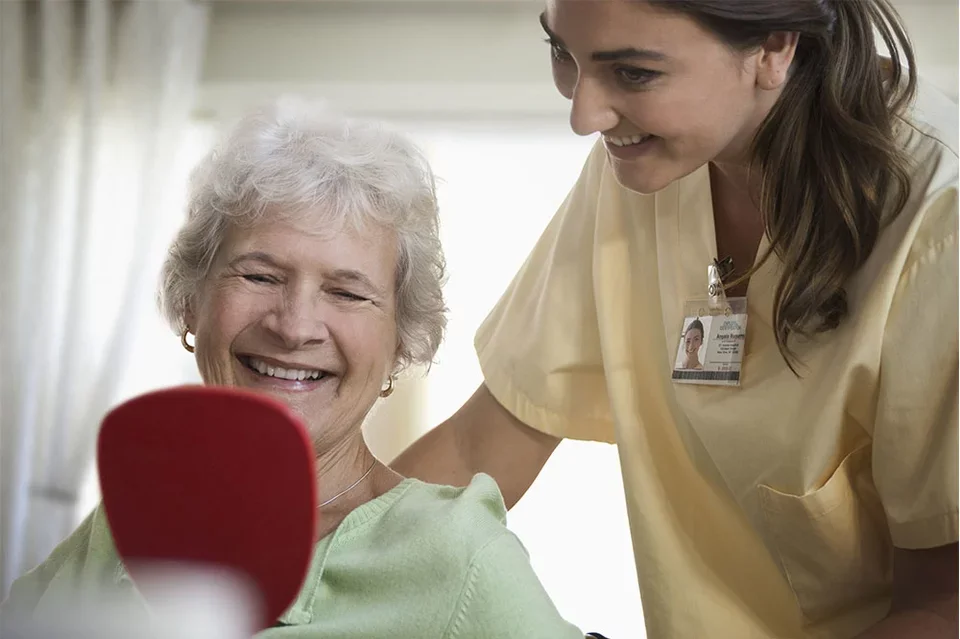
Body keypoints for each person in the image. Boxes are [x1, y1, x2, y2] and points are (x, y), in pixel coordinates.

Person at [392, 1, 959, 637]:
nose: (584, 115)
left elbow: (942, 608)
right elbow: (482, 448)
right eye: (562, 55)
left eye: (633, 73)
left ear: (775, 45)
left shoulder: (942, 222)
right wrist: (287, 579)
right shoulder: (646, 161)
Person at [1, 100, 585, 638]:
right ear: (190, 304)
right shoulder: (134, 520)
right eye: (260, 276)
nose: (295, 325)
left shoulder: (456, 554)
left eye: (348, 293)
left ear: (401, 343)